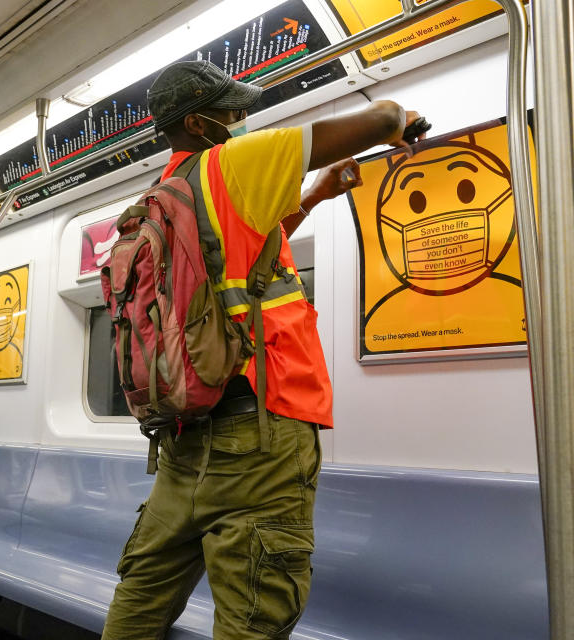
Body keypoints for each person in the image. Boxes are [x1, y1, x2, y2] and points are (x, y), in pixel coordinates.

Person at [100, 60, 424, 640]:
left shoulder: (164, 196)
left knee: (142, 596)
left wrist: (316, 196)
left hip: (183, 439)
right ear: (200, 123)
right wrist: (400, 120)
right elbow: (377, 119)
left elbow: (243, 260)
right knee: (256, 615)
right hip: (261, 432)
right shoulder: (233, 163)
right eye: (234, 111)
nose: (244, 119)